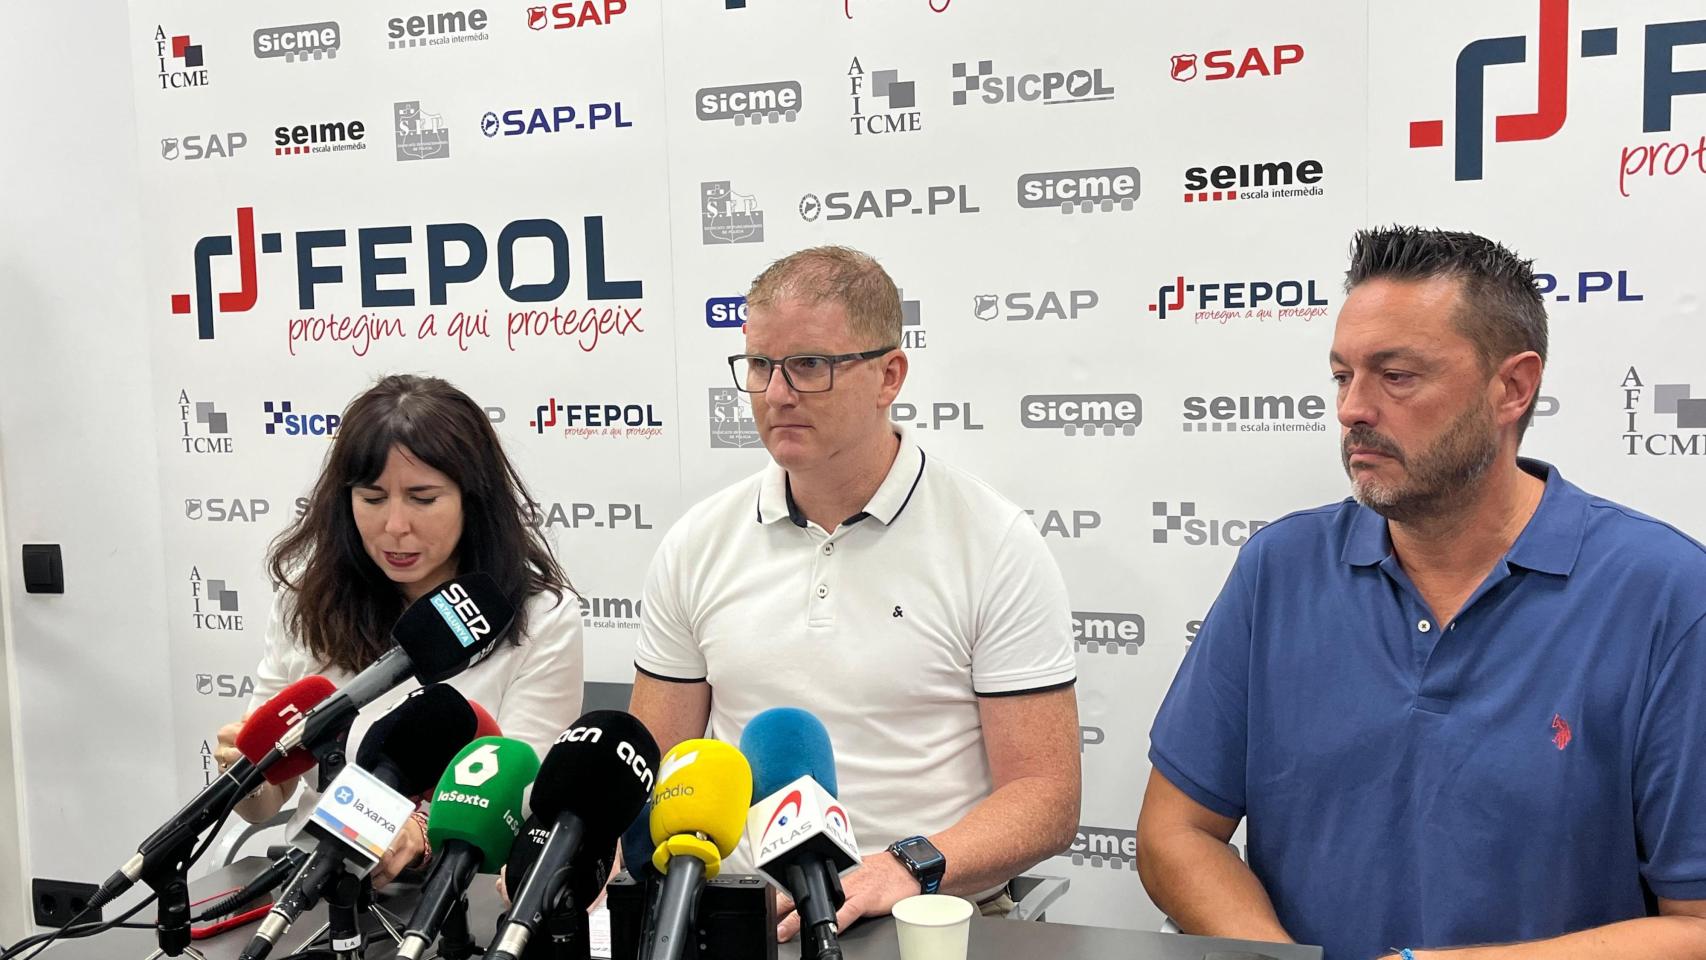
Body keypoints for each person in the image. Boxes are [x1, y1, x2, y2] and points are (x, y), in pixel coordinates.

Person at [1136, 227, 1706, 960]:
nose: (1352, 409)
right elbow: (1176, 832)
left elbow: (1696, 925)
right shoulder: (1278, 570)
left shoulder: (1665, 594)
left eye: (1396, 376)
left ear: (1512, 387)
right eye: (1342, 376)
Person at [630, 246, 1081, 940]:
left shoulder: (993, 542)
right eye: (760, 365)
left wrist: (902, 867)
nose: (776, 394)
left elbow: (1045, 796)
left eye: (810, 366)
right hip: (734, 916)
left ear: (889, 376)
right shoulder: (698, 541)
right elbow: (655, 760)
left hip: (922, 912)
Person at [212, 374, 584, 887]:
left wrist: (421, 833)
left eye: (423, 498)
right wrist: (246, 773)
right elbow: (267, 799)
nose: (394, 526)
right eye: (372, 497)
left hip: (458, 888)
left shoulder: (541, 617)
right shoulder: (308, 601)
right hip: (312, 880)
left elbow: (518, 797)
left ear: (472, 498)